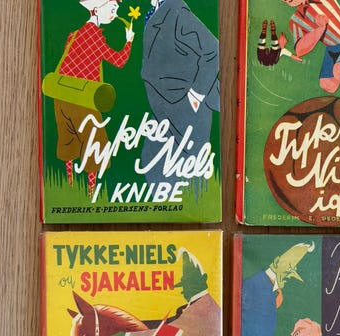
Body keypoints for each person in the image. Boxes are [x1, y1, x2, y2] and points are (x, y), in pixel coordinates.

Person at [53, 0, 134, 195]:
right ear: (96, 9)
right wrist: (129, 40)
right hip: (83, 99)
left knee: (68, 141)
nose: (115, 12)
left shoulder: (74, 34)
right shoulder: (94, 36)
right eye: (112, 8)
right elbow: (119, 60)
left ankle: (69, 186)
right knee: (95, 144)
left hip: (62, 96)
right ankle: (90, 193)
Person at [137, 0, 220, 190]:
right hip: (164, 105)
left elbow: (213, 50)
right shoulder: (156, 11)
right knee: (154, 162)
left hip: (183, 105)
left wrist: (196, 94)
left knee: (190, 167)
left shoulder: (177, 11)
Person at [281, 0, 340, 108]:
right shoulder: (295, 20)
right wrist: (320, 29)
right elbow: (299, 49)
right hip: (331, 49)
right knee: (327, 85)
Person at [240, 242, 315, 336]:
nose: (289, 275)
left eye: (293, 271)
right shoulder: (253, 285)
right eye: (289, 269)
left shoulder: (272, 293)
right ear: (276, 262)